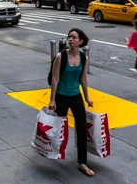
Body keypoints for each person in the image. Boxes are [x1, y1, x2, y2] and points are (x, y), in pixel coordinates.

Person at [48, 28, 94, 177]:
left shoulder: (83, 58)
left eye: (74, 37)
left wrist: (87, 97)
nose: (70, 39)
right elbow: (55, 79)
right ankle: (50, 148)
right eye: (69, 37)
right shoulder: (61, 56)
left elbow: (83, 79)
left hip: (76, 96)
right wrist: (52, 99)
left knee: (81, 129)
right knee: (58, 127)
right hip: (61, 96)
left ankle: (82, 162)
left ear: (80, 41)